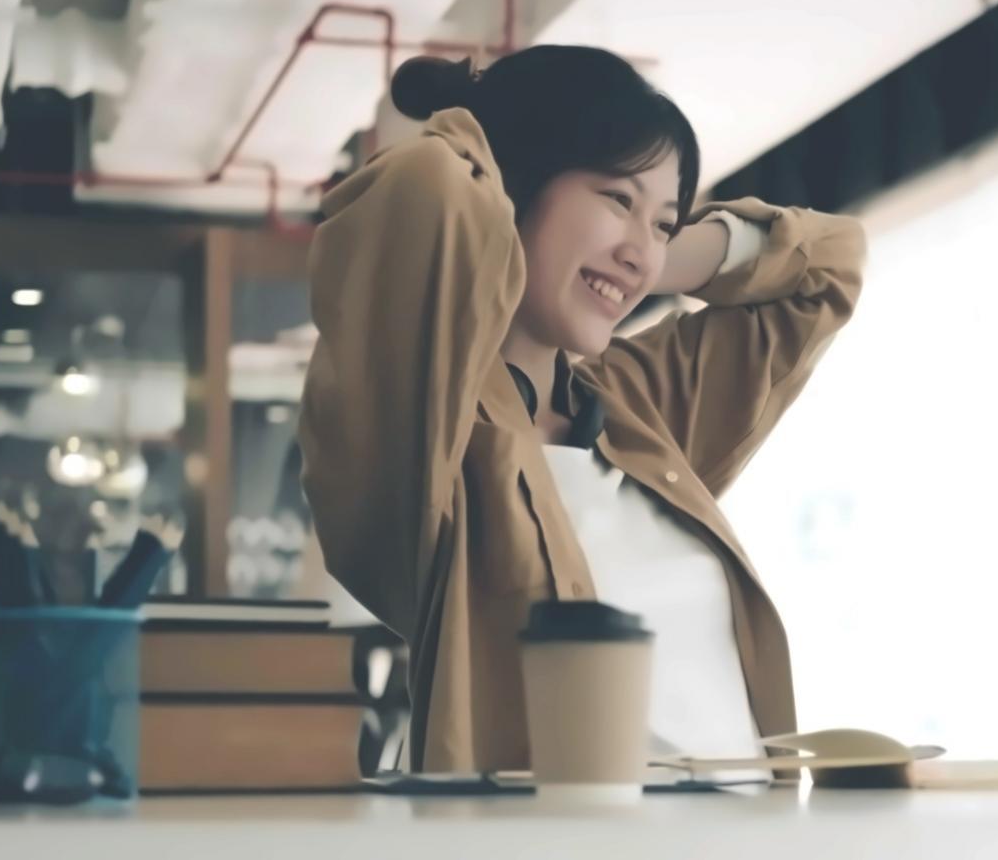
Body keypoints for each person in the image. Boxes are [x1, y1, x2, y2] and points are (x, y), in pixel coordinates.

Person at [297, 46, 866, 774]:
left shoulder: (635, 403)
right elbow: (427, 184)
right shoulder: (427, 419)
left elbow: (827, 267)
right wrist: (515, 169)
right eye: (616, 197)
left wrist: (648, 250)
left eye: (664, 221)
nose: (643, 253)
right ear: (515, 183)